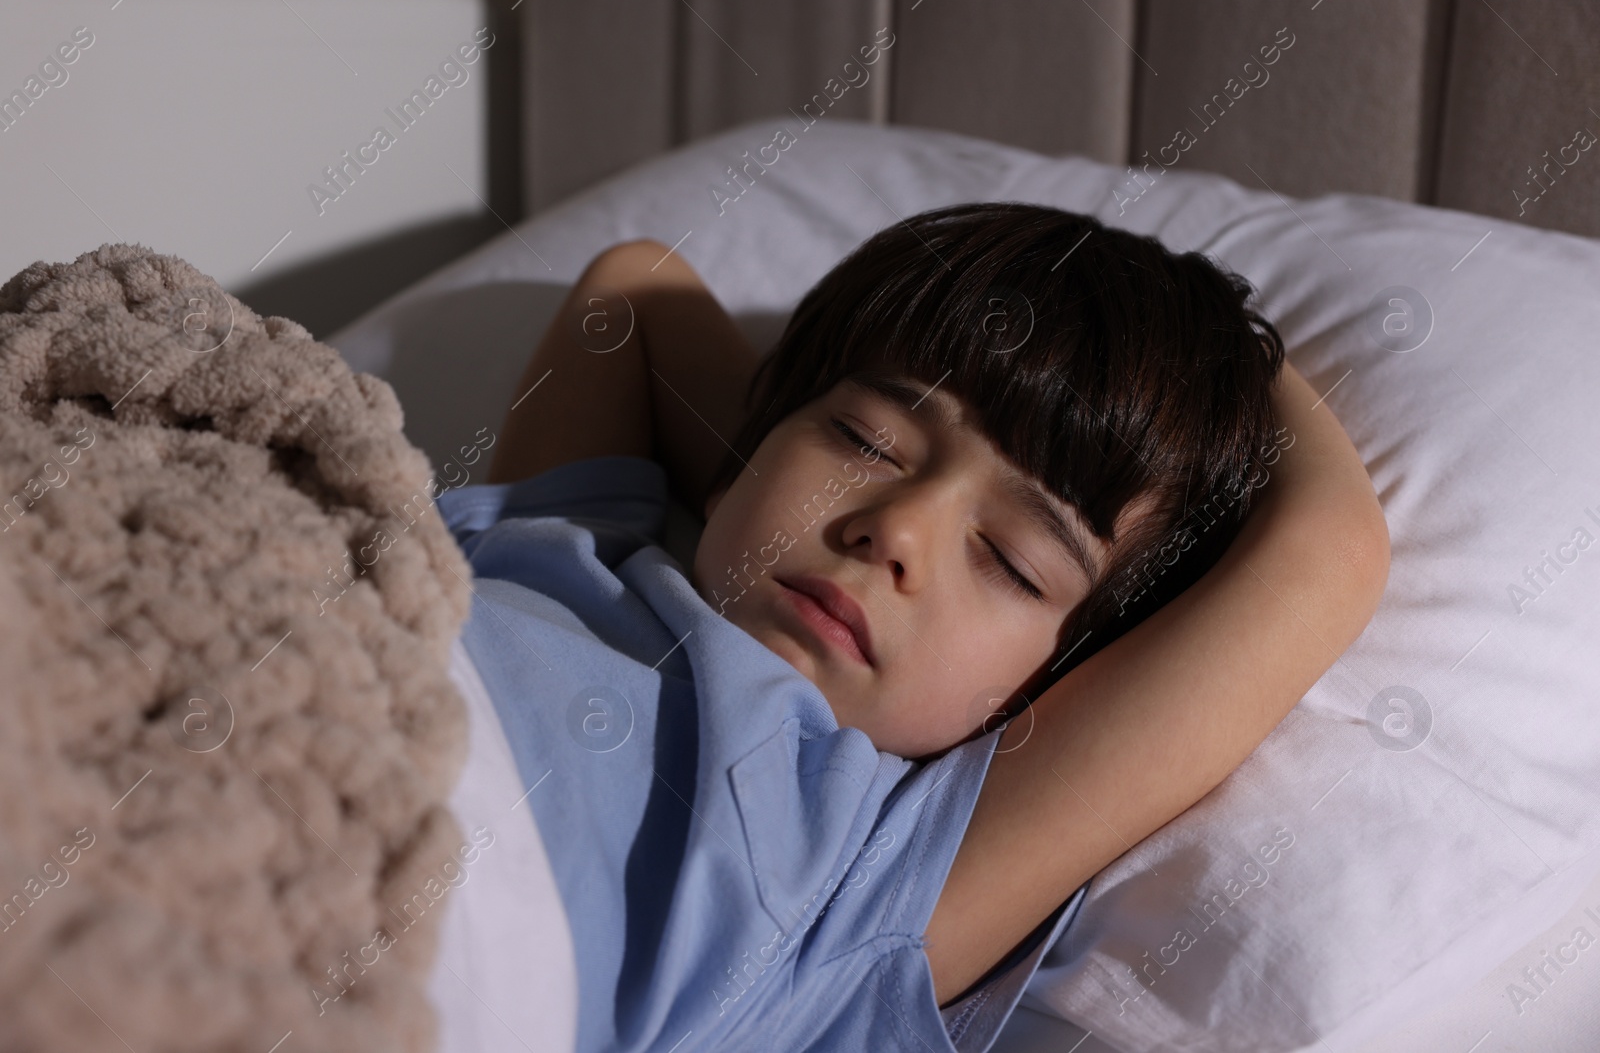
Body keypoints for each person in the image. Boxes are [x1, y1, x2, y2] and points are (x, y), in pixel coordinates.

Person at [438, 202, 1390, 1052]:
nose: (894, 528)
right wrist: (758, 483)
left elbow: (1328, 553)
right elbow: (633, 287)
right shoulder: (566, 549)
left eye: (1014, 560)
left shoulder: (864, 881)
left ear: (1054, 683)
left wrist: (1203, 368)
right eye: (864, 442)